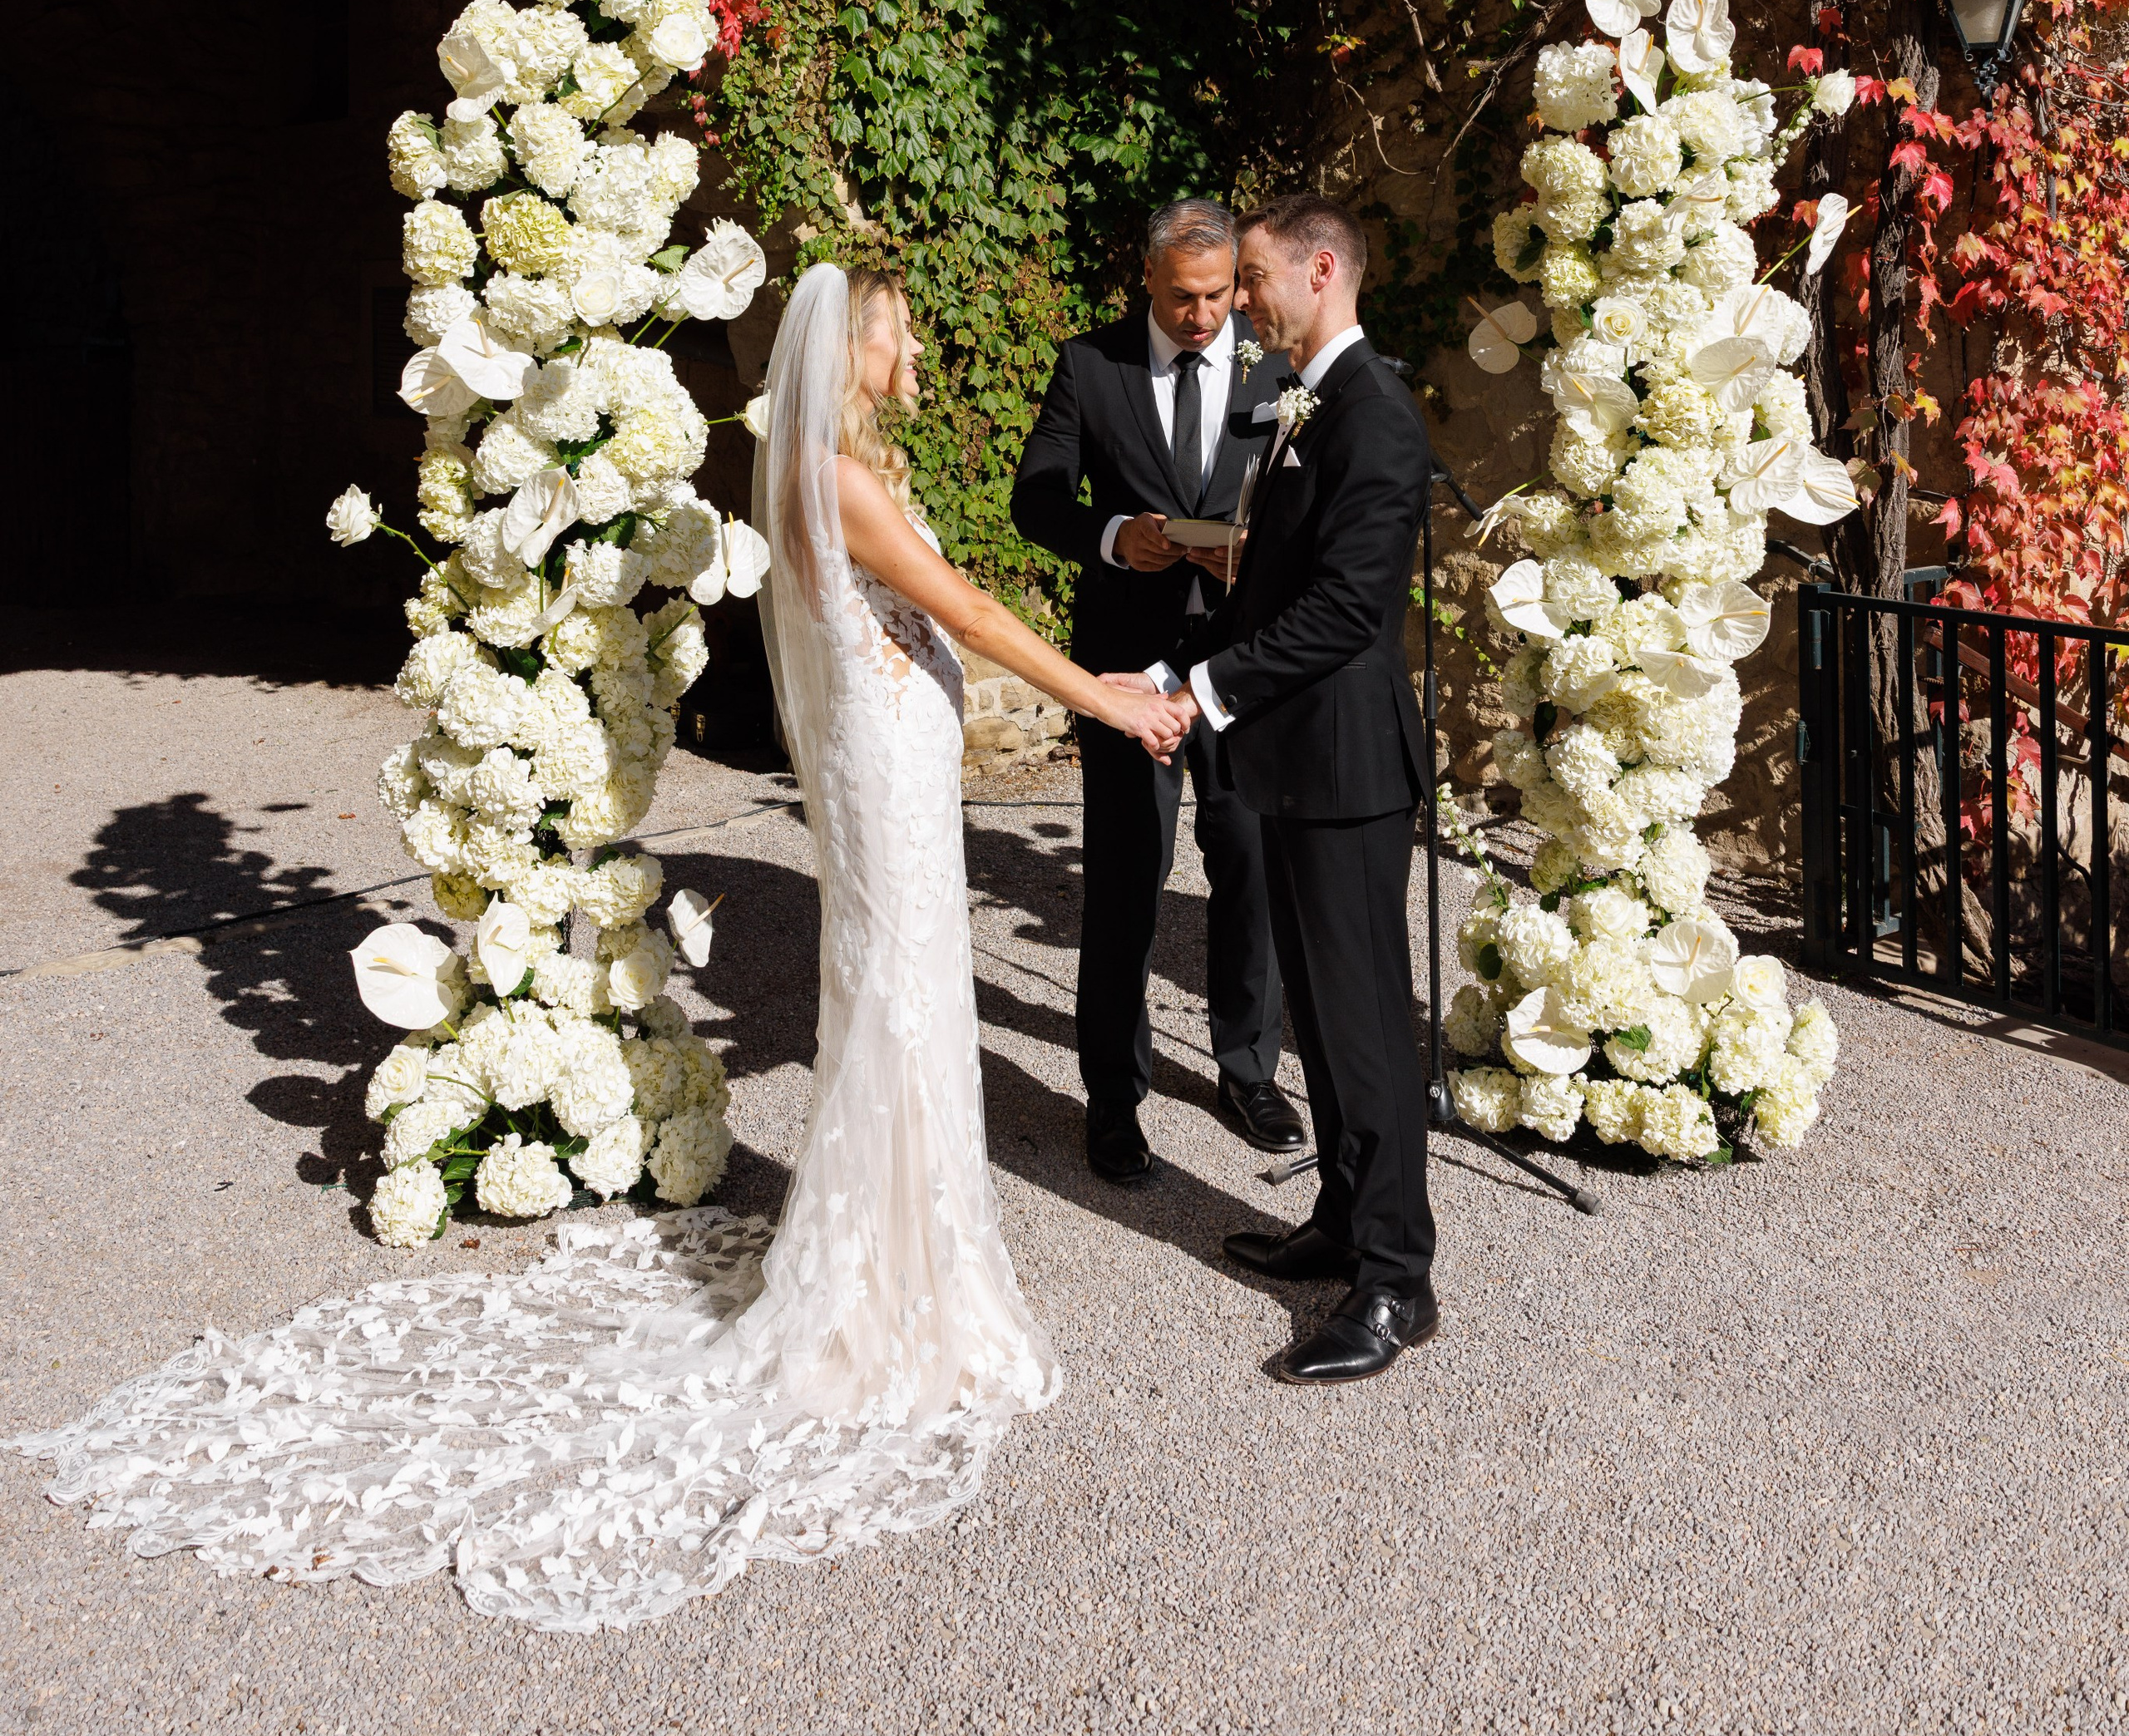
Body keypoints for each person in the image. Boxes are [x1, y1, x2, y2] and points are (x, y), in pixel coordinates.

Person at [16, 264, 1193, 1626]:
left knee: (908, 995)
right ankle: (886, 1288)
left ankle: (904, 1258)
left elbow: (937, 613)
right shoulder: (838, 473)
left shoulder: (843, 463)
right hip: (891, 763)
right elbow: (974, 615)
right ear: (852, 345)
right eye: (896, 328)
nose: (911, 344)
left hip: (905, 753)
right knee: (905, 1001)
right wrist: (1099, 700)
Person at [1114, 193, 1438, 1388]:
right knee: (1321, 1014)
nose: (1240, 301)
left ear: (1319, 268)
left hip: (1349, 769)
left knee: (1365, 1032)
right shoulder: (1310, 404)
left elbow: (1352, 608)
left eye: (1252, 279)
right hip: (1296, 761)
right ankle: (1345, 1224)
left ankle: (1400, 1280)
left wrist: (1202, 686)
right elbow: (1282, 580)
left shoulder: (1375, 415)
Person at [1011, 199, 1303, 1184]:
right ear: (1145, 278)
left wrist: (1266, 562)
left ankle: (1246, 1069)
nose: (1203, 315)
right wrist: (1112, 534)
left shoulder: (1277, 371)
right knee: (1128, 880)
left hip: (1244, 665)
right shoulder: (1088, 366)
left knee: (1250, 870)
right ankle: (1112, 1098)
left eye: (1220, 294)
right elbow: (1035, 499)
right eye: (1183, 297)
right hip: (1127, 669)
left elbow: (1311, 501)